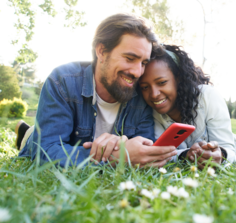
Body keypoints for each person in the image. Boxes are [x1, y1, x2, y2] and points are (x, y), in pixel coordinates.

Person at [16, 13, 178, 168]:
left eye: (143, 63)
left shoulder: (140, 95)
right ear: (101, 51)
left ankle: (26, 132)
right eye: (130, 58)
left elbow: (145, 151)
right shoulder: (63, 81)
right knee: (32, 139)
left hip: (68, 147)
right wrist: (117, 157)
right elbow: (44, 152)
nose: (137, 72)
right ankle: (27, 134)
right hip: (44, 136)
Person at [138, 44, 236, 168]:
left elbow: (228, 149)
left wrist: (221, 154)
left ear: (178, 78)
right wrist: (186, 155)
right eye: (145, 87)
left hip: (224, 139)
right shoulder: (152, 112)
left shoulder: (208, 96)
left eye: (162, 82)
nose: (154, 94)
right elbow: (160, 153)